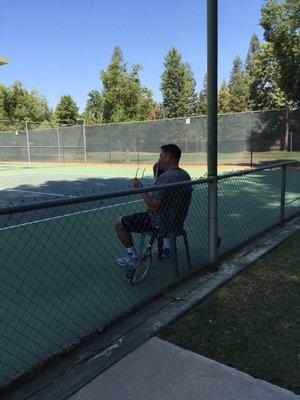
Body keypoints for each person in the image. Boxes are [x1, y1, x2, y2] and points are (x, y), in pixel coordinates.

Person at [115, 144, 191, 271]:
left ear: (168, 157)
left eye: (161, 155)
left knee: (119, 223)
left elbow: (154, 206)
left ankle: (133, 257)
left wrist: (140, 188)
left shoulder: (165, 178)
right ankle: (164, 247)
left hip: (158, 223)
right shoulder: (185, 175)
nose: (159, 158)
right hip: (177, 223)